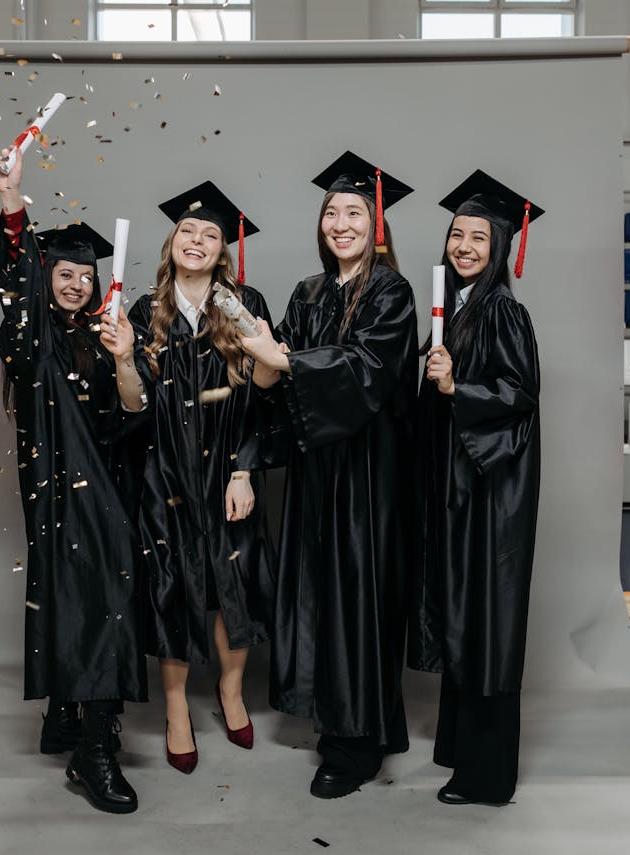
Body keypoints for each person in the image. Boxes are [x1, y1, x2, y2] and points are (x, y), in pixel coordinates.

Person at [238, 151, 418, 799]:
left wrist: (283, 360)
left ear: (378, 227)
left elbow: (365, 370)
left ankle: (356, 744)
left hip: (370, 478)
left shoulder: (391, 291)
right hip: (320, 475)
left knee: (360, 604)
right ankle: (339, 721)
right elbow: (276, 374)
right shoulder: (308, 292)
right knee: (321, 596)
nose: (340, 224)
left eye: (354, 213)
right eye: (332, 213)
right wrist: (259, 357)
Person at [0, 145, 149, 814]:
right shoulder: (28, 336)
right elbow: (13, 275)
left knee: (93, 596)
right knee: (81, 595)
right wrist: (12, 198)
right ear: (44, 274)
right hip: (55, 488)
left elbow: (129, 421)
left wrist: (125, 361)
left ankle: (78, 725)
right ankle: (90, 743)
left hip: (110, 488)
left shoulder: (107, 335)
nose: (76, 281)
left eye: (87, 273)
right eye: (63, 271)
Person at [124, 180, 276, 775]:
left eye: (211, 234)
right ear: (172, 242)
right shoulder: (145, 312)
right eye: (188, 230)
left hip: (227, 472)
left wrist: (244, 469)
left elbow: (265, 396)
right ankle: (175, 709)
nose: (198, 240)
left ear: (223, 251)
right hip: (164, 475)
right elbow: (133, 404)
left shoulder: (244, 305)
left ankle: (231, 693)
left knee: (229, 589)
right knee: (171, 588)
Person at [408, 168, 543, 806]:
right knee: (462, 611)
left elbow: (519, 394)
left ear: (499, 249)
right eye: (456, 235)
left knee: (486, 618)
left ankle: (488, 776)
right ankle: (459, 747)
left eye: (478, 239)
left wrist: (454, 387)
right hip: (458, 487)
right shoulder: (458, 306)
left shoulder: (504, 311)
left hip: (491, 495)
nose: (463, 246)